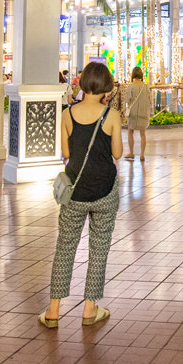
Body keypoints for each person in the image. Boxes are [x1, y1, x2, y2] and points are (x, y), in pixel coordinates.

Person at [40, 61, 123, 329]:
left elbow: (66, 152)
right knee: (99, 249)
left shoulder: (67, 113)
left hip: (75, 189)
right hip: (105, 190)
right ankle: (90, 308)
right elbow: (118, 154)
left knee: (65, 247)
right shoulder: (111, 116)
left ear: (83, 83)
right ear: (106, 88)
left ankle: (53, 311)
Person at [122, 68, 152, 162]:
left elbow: (127, 99)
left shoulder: (131, 86)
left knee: (130, 132)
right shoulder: (146, 86)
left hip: (133, 113)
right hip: (144, 112)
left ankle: (131, 152)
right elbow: (150, 100)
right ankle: (142, 154)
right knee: (143, 134)